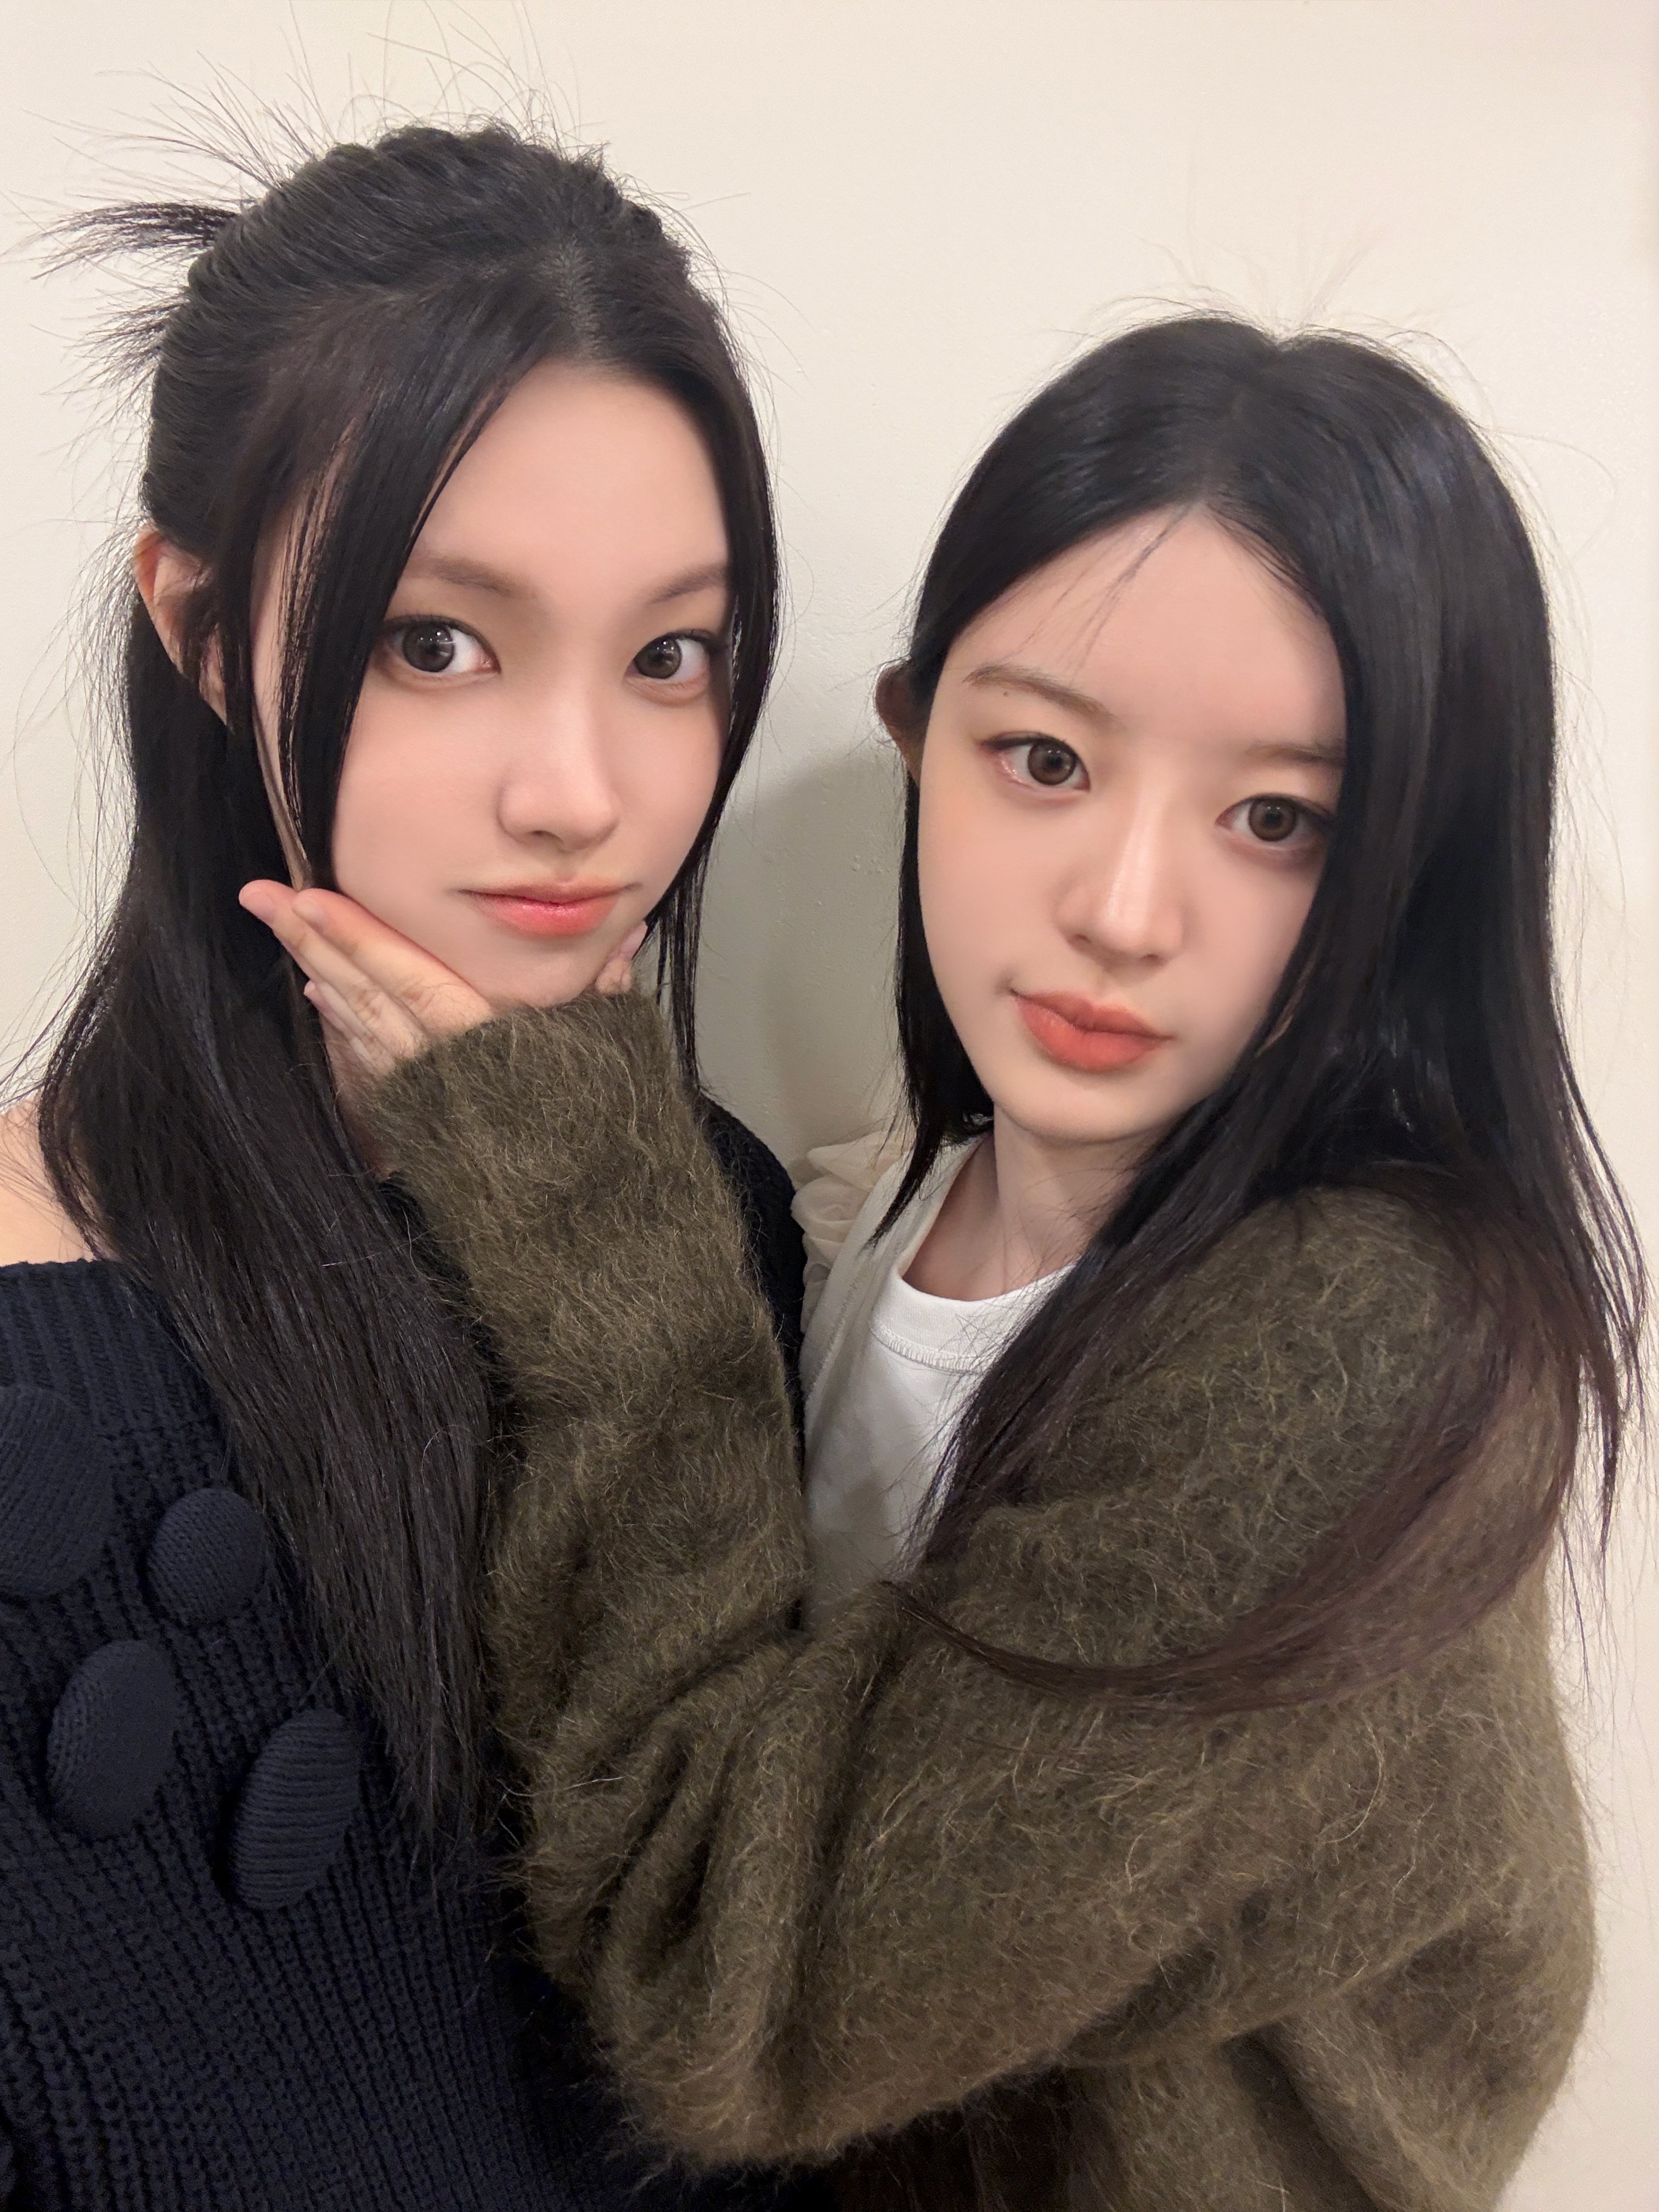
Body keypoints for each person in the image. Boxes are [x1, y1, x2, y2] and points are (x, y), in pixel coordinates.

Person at [258, 315, 1646, 2212]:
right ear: (920, 734)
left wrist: (589, 1209)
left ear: (1418, 860)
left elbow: (724, 1985)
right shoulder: (913, 1191)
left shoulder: (1364, 1344)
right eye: (1045, 758)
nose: (1123, 911)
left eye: (1276, 820)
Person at [0, 117, 808, 2210]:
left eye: (671, 654)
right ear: (200, 628)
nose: (584, 794)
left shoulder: (714, 1224)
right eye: (435, 641)